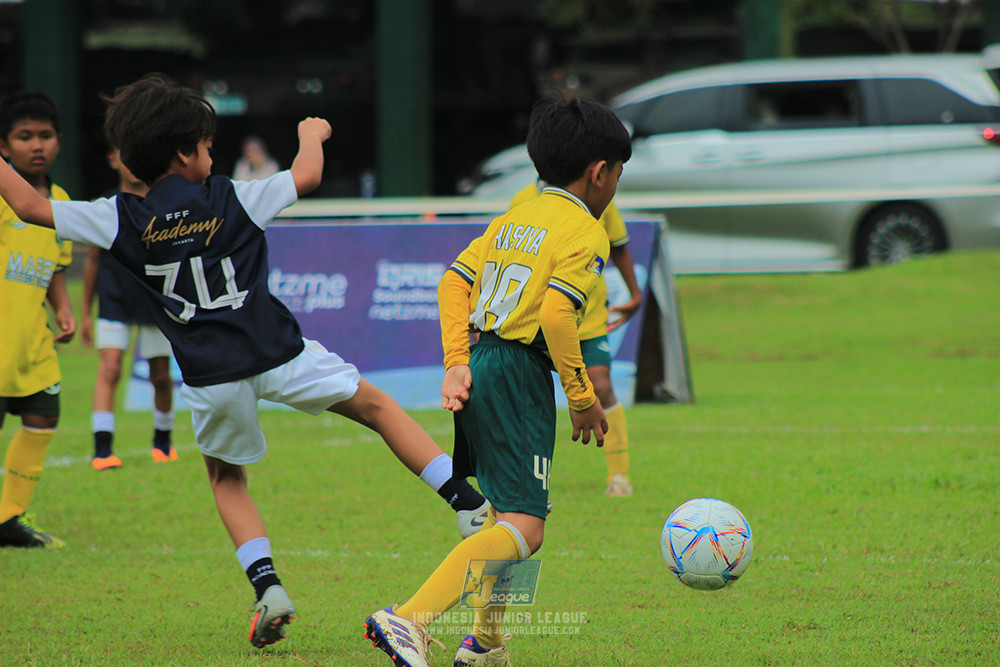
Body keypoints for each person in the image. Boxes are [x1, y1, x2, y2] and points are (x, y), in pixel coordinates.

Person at [0, 73, 488, 647]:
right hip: (279, 351)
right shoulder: (233, 195)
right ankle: (467, 503)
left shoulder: (119, 216)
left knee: (227, 478)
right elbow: (307, 174)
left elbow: (29, 204)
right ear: (186, 153)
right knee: (377, 407)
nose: (212, 155)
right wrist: (312, 133)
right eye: (206, 146)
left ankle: (268, 588)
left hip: (211, 377)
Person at [364, 96, 632, 667]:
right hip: (518, 374)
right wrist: (583, 399)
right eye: (619, 174)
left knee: (508, 514)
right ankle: (407, 619)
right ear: (599, 172)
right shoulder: (586, 232)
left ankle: (485, 643)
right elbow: (560, 317)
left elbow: (451, 285)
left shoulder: (512, 219)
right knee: (526, 527)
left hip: (485, 361)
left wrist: (457, 359)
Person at [510, 182, 642, 497]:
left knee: (602, 384)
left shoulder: (598, 198)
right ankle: (522, 478)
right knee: (523, 395)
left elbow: (619, 245)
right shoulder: (522, 201)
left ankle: (619, 475)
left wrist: (635, 294)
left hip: (589, 314)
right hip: (536, 318)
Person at [0, 91, 75, 549]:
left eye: (44, 135)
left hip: (32, 341)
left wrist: (62, 308)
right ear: (4, 147)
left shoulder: (61, 201)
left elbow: (55, 265)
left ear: (59, 142)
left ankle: (7, 518)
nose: (36, 145)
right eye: (24, 137)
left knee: (43, 418)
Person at [81, 146, 176, 470]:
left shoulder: (163, 204)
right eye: (124, 153)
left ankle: (163, 442)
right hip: (114, 299)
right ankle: (102, 450)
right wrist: (84, 313)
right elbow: (94, 260)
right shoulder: (104, 208)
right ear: (111, 158)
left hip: (154, 301)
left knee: (160, 376)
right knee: (110, 368)